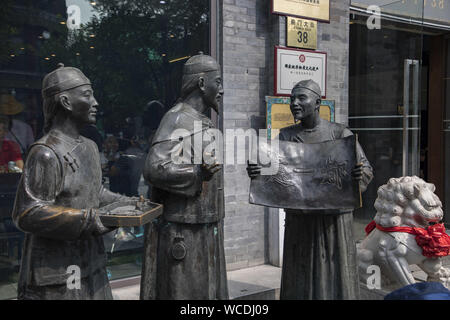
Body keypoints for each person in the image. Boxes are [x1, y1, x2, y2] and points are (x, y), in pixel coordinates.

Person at [12, 63, 132, 300]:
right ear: (65, 102)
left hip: (92, 259)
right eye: (87, 95)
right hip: (57, 269)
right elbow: (27, 212)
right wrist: (91, 219)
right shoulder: (46, 153)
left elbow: (95, 192)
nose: (96, 102)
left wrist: (127, 203)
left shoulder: (90, 147)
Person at [247, 79, 373, 300]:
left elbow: (366, 169)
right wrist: (258, 172)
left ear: (318, 102)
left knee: (335, 273)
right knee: (301, 273)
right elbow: (275, 174)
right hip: (301, 221)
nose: (294, 103)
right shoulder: (286, 136)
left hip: (333, 221)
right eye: (291, 99)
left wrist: (359, 176)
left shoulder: (339, 133)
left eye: (301, 98)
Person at [140, 53, 228, 300]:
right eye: (217, 82)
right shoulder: (178, 118)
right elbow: (154, 168)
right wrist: (196, 172)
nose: (221, 89)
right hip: (183, 231)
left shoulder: (204, 121)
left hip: (205, 227)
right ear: (201, 83)